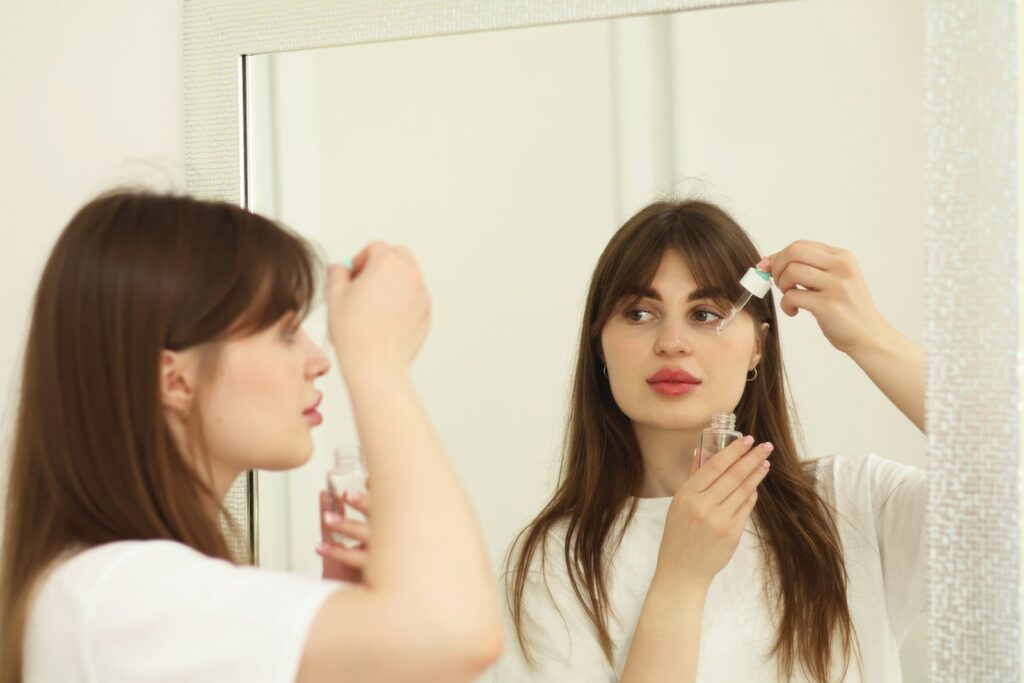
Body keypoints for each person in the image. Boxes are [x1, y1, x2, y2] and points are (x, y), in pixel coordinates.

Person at [0, 190, 503, 683]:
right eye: (286, 331)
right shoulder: (116, 596)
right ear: (175, 380)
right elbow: (458, 636)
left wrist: (351, 634)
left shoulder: (115, 597)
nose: (318, 360)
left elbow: (440, 645)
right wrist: (376, 360)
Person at [496, 199, 926, 682]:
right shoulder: (555, 564)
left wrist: (873, 340)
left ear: (757, 347)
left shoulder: (856, 503)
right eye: (639, 313)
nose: (672, 341)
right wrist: (680, 581)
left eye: (704, 314)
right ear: (599, 345)